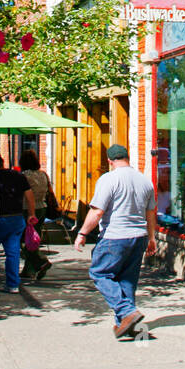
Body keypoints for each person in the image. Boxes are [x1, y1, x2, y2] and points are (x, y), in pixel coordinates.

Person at [75, 144, 156, 338]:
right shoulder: (145, 181)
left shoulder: (109, 179)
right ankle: (125, 323)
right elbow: (151, 212)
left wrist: (82, 233)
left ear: (110, 161)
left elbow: (97, 211)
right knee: (127, 279)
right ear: (127, 158)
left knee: (100, 273)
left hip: (115, 235)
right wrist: (152, 237)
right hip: (139, 236)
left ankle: (126, 311)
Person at [0, 151, 37, 294]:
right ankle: (12, 284)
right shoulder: (18, 175)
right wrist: (31, 214)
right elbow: (29, 196)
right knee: (13, 253)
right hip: (16, 218)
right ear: (2, 161)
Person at [19, 150, 53, 281]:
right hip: (42, 208)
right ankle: (29, 270)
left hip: (27, 209)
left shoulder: (23, 176)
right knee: (33, 239)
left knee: (23, 240)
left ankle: (40, 261)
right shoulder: (43, 174)